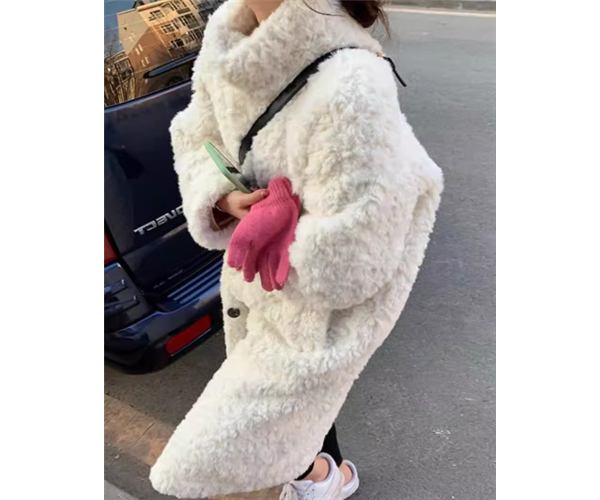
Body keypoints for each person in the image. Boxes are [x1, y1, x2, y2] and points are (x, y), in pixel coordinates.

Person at [150, 1, 443, 499]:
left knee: (225, 460)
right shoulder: (227, 37)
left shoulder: (353, 84)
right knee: (282, 436)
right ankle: (321, 473)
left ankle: (320, 476)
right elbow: (195, 133)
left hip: (303, 321)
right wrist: (222, 197)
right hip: (255, 298)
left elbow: (356, 260)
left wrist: (280, 236)